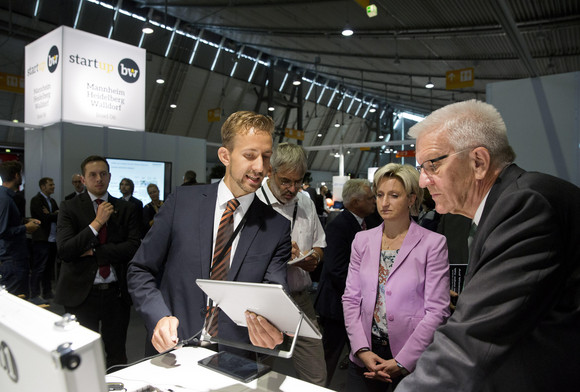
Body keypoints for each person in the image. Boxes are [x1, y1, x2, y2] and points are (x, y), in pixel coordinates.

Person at [397, 100, 580, 392]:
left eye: (432, 165)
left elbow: (472, 339)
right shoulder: (508, 205)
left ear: (478, 162)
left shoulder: (526, 205)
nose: (422, 180)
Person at [127, 111, 291, 356]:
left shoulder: (276, 227)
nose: (260, 167)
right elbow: (140, 269)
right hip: (173, 349)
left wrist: (273, 327)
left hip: (235, 356)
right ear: (225, 155)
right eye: (249, 156)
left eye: (266, 157)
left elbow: (274, 295)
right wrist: (159, 317)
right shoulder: (182, 202)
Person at [342, 163, 450, 391]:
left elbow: (437, 310)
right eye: (380, 195)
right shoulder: (362, 240)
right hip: (366, 351)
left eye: (394, 195)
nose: (384, 202)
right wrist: (361, 349)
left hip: (410, 355)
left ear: (411, 199)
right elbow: (351, 299)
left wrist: (403, 361)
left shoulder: (432, 243)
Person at [55, 155, 141, 368]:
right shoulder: (69, 207)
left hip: (116, 293)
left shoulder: (126, 208)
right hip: (81, 295)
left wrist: (94, 252)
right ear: (83, 180)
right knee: (83, 356)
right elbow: (66, 250)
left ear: (110, 176)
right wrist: (97, 222)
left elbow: (133, 247)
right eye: (92, 175)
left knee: (117, 354)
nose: (99, 179)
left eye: (103, 174)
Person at [256, 142, 327, 386]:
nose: (292, 188)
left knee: (316, 374)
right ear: (270, 171)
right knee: (259, 373)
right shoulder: (253, 202)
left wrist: (313, 258)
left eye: (298, 181)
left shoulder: (305, 201)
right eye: (286, 181)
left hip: (300, 300)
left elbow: (319, 244)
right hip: (262, 303)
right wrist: (277, 251)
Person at [314, 178, 377, 387]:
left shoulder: (372, 223)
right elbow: (335, 269)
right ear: (356, 202)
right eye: (370, 198)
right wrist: (360, 294)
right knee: (330, 354)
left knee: (360, 352)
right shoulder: (339, 226)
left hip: (354, 303)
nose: (375, 201)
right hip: (336, 305)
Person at [0, 161, 40, 296]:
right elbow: (3, 231)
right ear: (17, 175)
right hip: (13, 259)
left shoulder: (4, 196)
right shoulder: (5, 199)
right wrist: (25, 227)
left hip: (11, 258)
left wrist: (25, 221)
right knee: (17, 302)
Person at [29, 177, 59, 304]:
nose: (53, 186)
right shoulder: (36, 200)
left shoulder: (52, 200)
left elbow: (60, 216)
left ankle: (47, 292)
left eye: (53, 184)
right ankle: (34, 293)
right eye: (50, 185)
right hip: (42, 239)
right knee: (39, 268)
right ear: (43, 187)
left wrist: (51, 215)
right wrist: (53, 214)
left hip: (52, 239)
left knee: (48, 268)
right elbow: (43, 218)